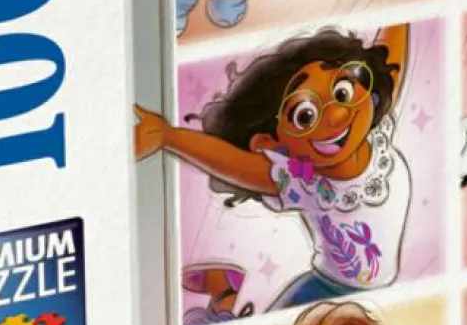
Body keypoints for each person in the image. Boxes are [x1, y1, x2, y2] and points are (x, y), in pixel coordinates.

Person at [134, 24, 412, 309]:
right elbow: (231, 161)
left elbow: (391, 45)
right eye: (305, 115)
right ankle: (225, 295)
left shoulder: (377, 124)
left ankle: (225, 291)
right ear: (270, 142)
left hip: (377, 294)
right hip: (327, 292)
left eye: (342, 92)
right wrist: (168, 136)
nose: (337, 114)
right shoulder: (302, 183)